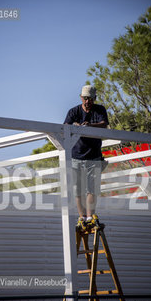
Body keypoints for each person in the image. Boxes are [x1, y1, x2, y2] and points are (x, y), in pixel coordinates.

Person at [64, 85, 109, 230]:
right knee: (78, 189)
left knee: (92, 189)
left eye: (90, 99)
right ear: (81, 97)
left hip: (94, 156)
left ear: (94, 99)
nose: (87, 101)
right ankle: (82, 217)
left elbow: (104, 124)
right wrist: (75, 126)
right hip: (76, 155)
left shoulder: (100, 110)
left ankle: (90, 217)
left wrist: (90, 125)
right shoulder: (74, 111)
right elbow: (65, 127)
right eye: (85, 98)